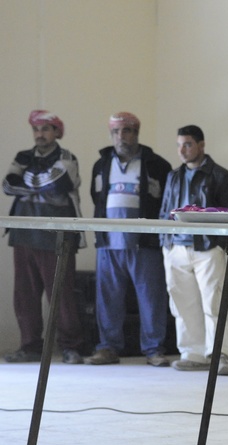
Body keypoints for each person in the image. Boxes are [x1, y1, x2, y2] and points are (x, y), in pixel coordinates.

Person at [85, 112, 172, 367]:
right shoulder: (101, 164)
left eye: (127, 131)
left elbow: (164, 202)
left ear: (137, 133)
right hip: (109, 244)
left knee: (151, 298)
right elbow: (97, 197)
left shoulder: (157, 164)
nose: (121, 137)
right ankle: (108, 347)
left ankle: (154, 349)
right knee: (108, 298)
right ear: (111, 134)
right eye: (116, 132)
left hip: (144, 244)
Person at [2, 110, 85, 365]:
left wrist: (28, 183)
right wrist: (37, 183)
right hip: (23, 234)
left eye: (45, 129)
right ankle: (30, 346)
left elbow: (58, 184)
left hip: (56, 238)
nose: (40, 134)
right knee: (24, 296)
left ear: (57, 132)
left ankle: (71, 347)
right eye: (36, 130)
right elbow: (7, 184)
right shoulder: (22, 156)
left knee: (61, 295)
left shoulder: (67, 157)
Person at [159, 125, 228, 375]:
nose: (182, 150)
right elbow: (165, 211)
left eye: (188, 144)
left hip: (208, 247)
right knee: (182, 303)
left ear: (201, 146)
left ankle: (220, 354)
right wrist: (165, 242)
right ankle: (192, 353)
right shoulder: (173, 176)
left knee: (214, 303)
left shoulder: (220, 176)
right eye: (179, 145)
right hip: (175, 247)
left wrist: (226, 247)